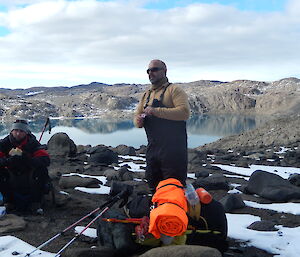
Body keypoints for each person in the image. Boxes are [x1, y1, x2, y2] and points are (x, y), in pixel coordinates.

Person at [134, 59, 190, 190]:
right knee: (153, 185)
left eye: (154, 70)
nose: (150, 73)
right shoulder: (146, 95)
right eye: (148, 71)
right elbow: (137, 117)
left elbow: (184, 113)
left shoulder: (174, 90)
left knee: (173, 188)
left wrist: (156, 111)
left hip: (174, 152)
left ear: (164, 71)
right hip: (153, 150)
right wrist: (139, 121)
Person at [0, 119, 50, 214]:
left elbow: (45, 160)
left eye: (21, 131)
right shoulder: (4, 143)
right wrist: (7, 161)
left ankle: (36, 203)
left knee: (42, 170)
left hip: (29, 174)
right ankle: (8, 202)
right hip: (10, 174)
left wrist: (28, 160)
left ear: (26, 132)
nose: (18, 134)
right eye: (16, 130)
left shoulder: (32, 143)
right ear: (12, 131)